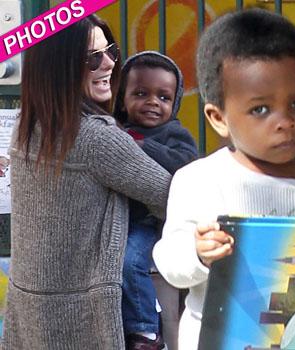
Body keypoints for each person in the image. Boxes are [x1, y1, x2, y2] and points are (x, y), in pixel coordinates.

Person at [152, 8, 295, 350]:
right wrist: (197, 252)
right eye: (261, 109)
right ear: (218, 118)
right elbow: (168, 262)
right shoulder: (200, 181)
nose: (285, 121)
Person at [0, 15, 171, 350]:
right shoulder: (96, 139)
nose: (109, 63)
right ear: (60, 68)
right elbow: (170, 196)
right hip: (82, 320)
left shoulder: (26, 126)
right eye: (92, 58)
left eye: (110, 51)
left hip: (30, 309)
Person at [114, 51, 198, 350]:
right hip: (113, 218)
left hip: (148, 222)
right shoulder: (112, 129)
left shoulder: (174, 134)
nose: (152, 102)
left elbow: (186, 163)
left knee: (129, 261)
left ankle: (145, 331)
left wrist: (142, 146)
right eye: (140, 93)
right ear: (120, 97)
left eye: (163, 97)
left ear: (174, 103)